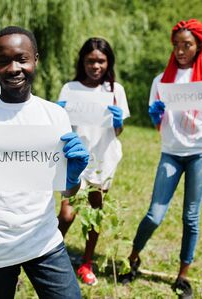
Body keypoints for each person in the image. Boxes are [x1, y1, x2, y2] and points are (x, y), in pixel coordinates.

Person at [0, 26, 89, 298]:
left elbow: (68, 192)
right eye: (4, 61)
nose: (13, 69)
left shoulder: (54, 116)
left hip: (44, 239)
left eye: (22, 59)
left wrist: (73, 178)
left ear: (36, 59)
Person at [118, 19, 202, 299]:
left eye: (186, 45)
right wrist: (157, 116)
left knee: (191, 217)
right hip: (172, 153)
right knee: (155, 214)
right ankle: (134, 258)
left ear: (198, 45)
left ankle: (182, 277)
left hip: (201, 152)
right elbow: (159, 125)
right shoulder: (161, 81)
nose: (180, 50)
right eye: (176, 45)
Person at [56, 37, 130, 285]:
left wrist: (118, 122)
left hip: (103, 161)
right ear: (82, 62)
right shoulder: (70, 89)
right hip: (75, 160)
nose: (96, 66)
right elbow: (61, 130)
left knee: (95, 214)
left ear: (108, 62)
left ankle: (86, 264)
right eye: (90, 61)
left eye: (101, 61)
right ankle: (48, 255)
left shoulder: (115, 90)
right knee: (67, 214)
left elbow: (117, 132)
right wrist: (59, 114)